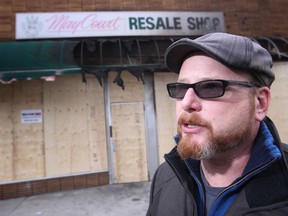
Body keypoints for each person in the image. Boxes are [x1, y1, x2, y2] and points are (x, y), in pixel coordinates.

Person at [146, 32, 288, 216]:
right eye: (181, 89)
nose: (186, 103)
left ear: (260, 103)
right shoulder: (166, 176)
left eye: (210, 87)